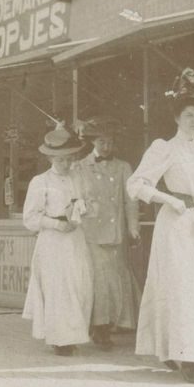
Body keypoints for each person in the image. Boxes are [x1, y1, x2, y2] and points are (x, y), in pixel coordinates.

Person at [126, 68, 194, 384]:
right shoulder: (165, 148)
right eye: (188, 115)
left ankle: (188, 350)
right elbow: (136, 184)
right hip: (176, 226)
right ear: (177, 118)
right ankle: (186, 357)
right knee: (181, 288)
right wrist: (167, 200)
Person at [22, 125, 94, 356]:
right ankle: (59, 338)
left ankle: (73, 334)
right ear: (51, 157)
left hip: (75, 238)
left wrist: (81, 210)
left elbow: (87, 203)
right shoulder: (40, 181)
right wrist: (56, 224)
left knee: (78, 285)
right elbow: (30, 218)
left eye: (69, 159)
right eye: (60, 160)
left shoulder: (78, 178)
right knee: (58, 288)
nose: (65, 164)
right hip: (53, 241)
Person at [75, 116, 141, 349]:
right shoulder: (80, 168)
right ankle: (99, 327)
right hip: (91, 233)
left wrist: (133, 227)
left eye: (110, 142)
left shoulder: (123, 167)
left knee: (116, 279)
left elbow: (131, 201)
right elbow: (75, 199)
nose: (106, 146)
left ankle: (114, 322)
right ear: (93, 142)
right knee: (99, 280)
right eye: (101, 141)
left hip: (117, 232)